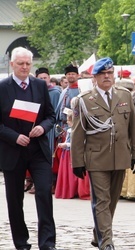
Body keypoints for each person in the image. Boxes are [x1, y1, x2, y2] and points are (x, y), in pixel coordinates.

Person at [71, 57, 135, 250]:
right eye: (102, 74)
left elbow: (132, 127)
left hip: (120, 156)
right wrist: (77, 161)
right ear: (94, 77)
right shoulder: (84, 100)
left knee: (112, 199)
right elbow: (78, 133)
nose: (107, 77)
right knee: (102, 200)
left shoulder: (125, 95)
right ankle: (107, 242)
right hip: (97, 158)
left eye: (110, 73)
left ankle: (99, 233)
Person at [0, 47, 57, 250]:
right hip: (12, 151)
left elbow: (51, 116)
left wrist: (43, 127)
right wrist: (15, 137)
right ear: (12, 64)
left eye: (27, 64)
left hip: (38, 151)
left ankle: (48, 242)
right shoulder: (2, 87)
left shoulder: (40, 85)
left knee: (43, 193)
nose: (24, 67)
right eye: (20, 63)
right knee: (15, 200)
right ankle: (21, 242)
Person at [54, 108, 78, 199]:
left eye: (68, 120)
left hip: (70, 154)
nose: (67, 122)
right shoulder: (69, 130)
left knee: (70, 173)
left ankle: (71, 191)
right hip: (66, 153)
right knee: (65, 173)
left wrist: (65, 144)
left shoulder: (74, 131)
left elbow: (76, 143)